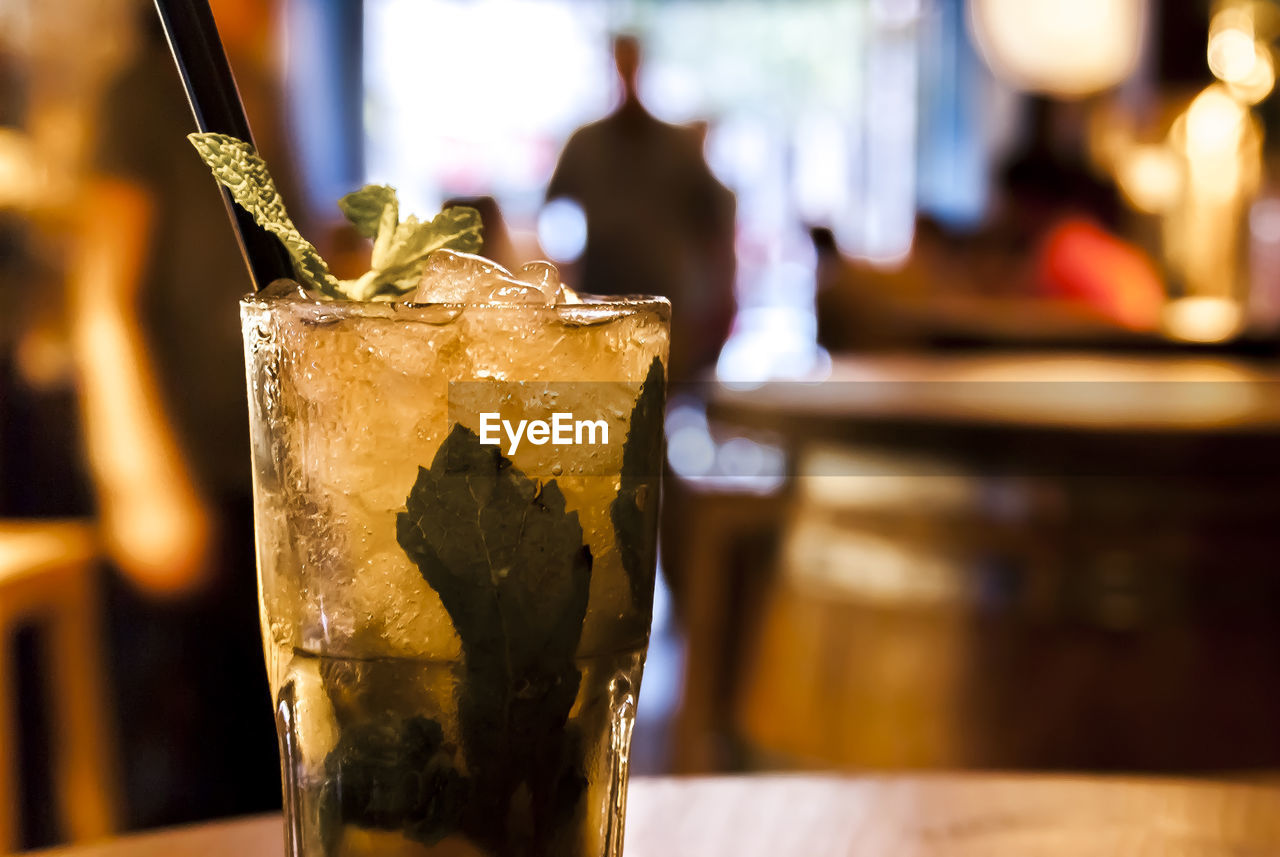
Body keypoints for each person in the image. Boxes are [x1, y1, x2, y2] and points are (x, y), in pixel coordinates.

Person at [67, 0, 305, 828]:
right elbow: (100, 300)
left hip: (263, 487)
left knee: (262, 765)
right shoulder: (146, 93)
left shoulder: (262, 96)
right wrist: (138, 478)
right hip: (189, 476)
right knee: (185, 780)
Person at [547, 34, 735, 383]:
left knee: (660, 404)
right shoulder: (585, 143)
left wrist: (720, 296)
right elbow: (554, 215)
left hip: (667, 303)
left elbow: (718, 220)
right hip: (600, 301)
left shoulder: (679, 147)